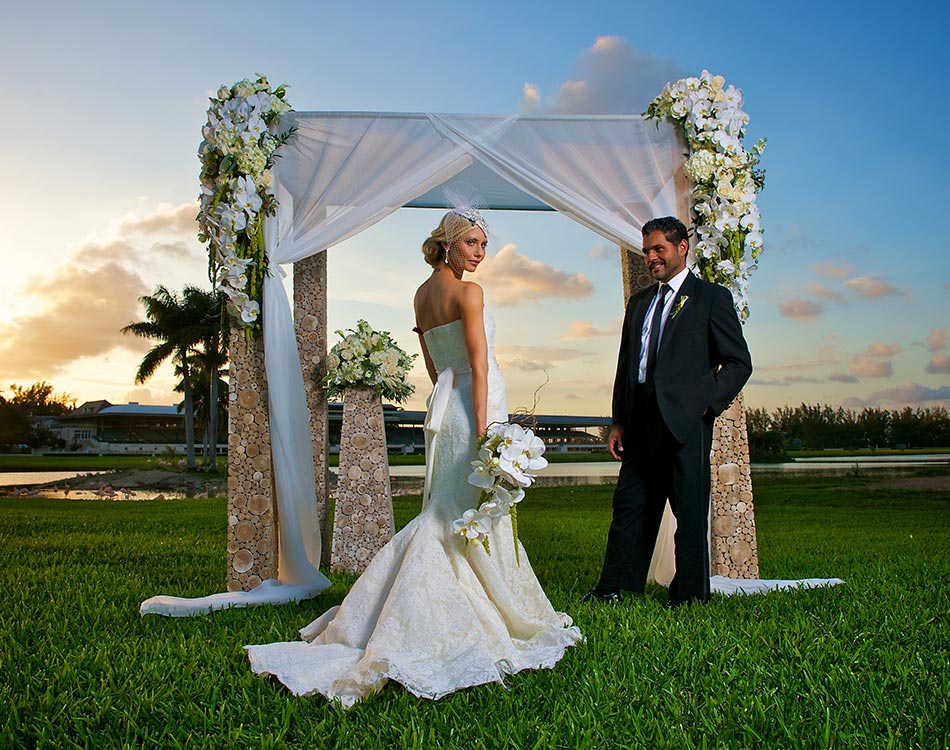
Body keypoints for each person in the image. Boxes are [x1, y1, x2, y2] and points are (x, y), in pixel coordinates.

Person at [245, 203, 581, 707]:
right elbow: (479, 366)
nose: (481, 254)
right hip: (474, 406)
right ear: (447, 243)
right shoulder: (470, 292)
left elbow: (433, 365)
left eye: (484, 245)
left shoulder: (421, 296)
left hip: (443, 408)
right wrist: (489, 429)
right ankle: (458, 610)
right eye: (473, 243)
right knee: (464, 510)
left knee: (448, 508)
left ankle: (424, 600)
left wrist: (448, 406)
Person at [584, 216, 752, 608]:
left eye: (659, 249)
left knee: (689, 512)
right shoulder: (639, 302)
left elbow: (739, 362)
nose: (652, 257)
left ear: (682, 247)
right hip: (639, 421)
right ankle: (616, 588)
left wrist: (705, 407)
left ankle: (690, 595)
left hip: (685, 422)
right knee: (629, 507)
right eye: (646, 251)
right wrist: (618, 420)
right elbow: (627, 366)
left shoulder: (711, 298)